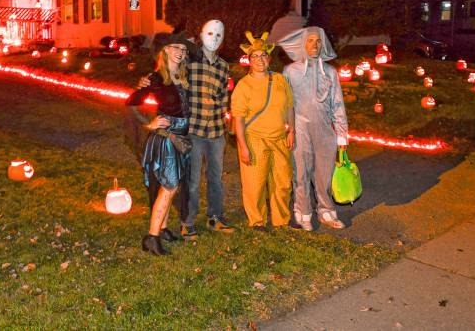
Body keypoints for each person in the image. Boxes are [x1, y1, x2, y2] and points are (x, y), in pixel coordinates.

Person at [138, 20, 234, 240]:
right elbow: (165, 76)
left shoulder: (223, 66)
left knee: (216, 177)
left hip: (216, 130)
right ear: (201, 35)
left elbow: (222, 98)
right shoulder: (189, 60)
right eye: (210, 33)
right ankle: (187, 222)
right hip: (193, 129)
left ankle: (215, 216)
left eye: (219, 35)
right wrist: (146, 82)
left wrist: (224, 121)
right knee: (191, 179)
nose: (215, 38)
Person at [126, 34, 195, 255]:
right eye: (175, 47)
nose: (180, 52)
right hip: (166, 138)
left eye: (183, 49)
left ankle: (163, 228)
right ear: (164, 51)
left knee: (171, 185)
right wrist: (149, 124)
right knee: (170, 186)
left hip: (181, 138)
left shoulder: (184, 76)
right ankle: (152, 237)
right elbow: (132, 102)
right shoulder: (155, 79)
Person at [278, 26, 348, 230]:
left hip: (325, 129)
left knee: (325, 171)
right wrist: (287, 129)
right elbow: (285, 103)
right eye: (310, 41)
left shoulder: (330, 72)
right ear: (303, 43)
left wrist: (342, 136)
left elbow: (337, 103)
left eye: (318, 41)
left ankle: (326, 211)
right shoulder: (291, 71)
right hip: (300, 128)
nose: (314, 45)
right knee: (300, 171)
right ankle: (303, 212)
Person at [231, 31, 294, 230]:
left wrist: (291, 131)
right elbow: (238, 119)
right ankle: (257, 220)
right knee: (254, 184)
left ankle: (281, 219)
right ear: (249, 60)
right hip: (255, 140)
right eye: (255, 56)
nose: (260, 59)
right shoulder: (243, 86)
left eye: (263, 55)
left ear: (269, 58)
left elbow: (290, 106)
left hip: (279, 139)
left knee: (282, 182)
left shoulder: (280, 80)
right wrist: (243, 146)